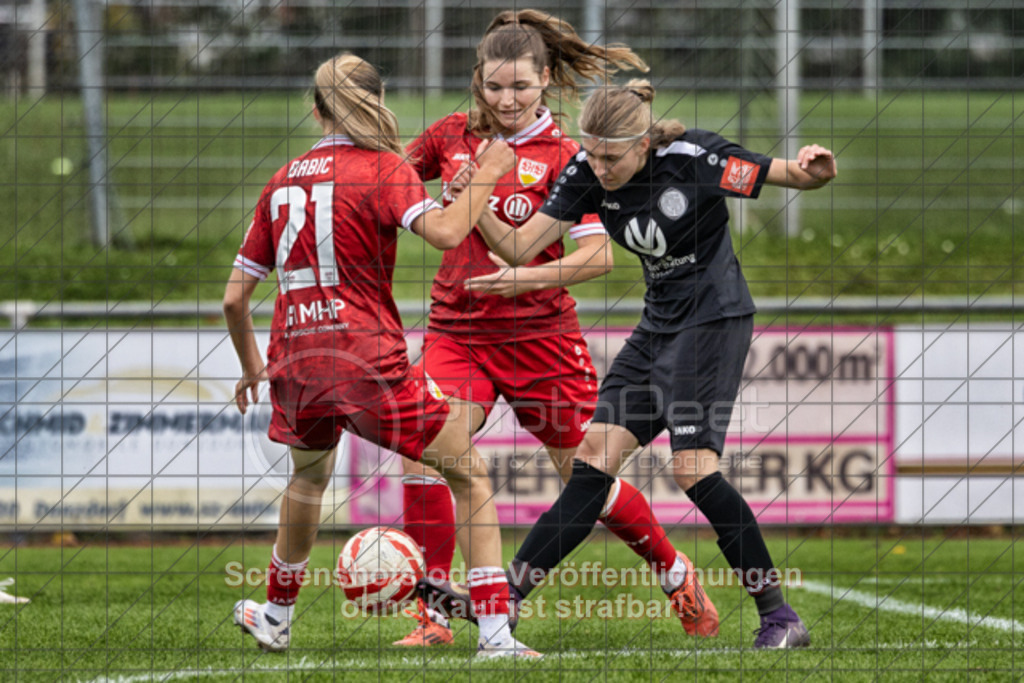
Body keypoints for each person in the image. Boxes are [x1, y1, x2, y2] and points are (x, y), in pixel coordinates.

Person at [425, 79, 838, 649]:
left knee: (693, 471)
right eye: (592, 154)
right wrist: (477, 202)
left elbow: (789, 175)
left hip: (713, 322)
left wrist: (814, 169)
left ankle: (780, 617)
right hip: (657, 325)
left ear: (643, 144)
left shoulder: (693, 157)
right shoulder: (586, 170)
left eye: (610, 157)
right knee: (591, 462)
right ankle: (509, 598)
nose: (598, 167)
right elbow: (521, 246)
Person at [395, 10, 718, 647]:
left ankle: (675, 572)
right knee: (428, 451)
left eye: (520, 85)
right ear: (477, 80)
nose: (506, 99)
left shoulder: (571, 156)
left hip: (541, 340)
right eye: (494, 86)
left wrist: (519, 276)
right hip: (458, 331)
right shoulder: (449, 136)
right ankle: (432, 615)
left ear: (545, 79)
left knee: (585, 480)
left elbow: (597, 256)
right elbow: (389, 183)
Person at [222, 52, 542, 659]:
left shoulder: (281, 180)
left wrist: (251, 368)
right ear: (377, 100)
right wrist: (490, 172)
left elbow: (234, 298)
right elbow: (447, 233)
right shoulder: (382, 167)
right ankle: (496, 636)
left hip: (297, 361)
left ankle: (276, 616)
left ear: (315, 110)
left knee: (307, 480)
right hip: (366, 359)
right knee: (469, 475)